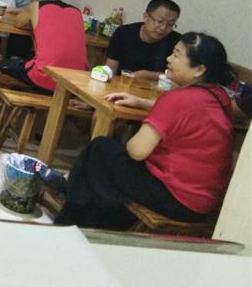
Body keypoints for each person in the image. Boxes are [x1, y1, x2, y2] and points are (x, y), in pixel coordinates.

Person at [55, 33, 235, 230]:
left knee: (100, 150)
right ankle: (80, 205)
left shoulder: (177, 99)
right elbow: (189, 114)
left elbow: (137, 151)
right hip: (202, 203)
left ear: (199, 69)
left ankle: (71, 215)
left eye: (176, 55)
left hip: (174, 196)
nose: (169, 59)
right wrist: (142, 103)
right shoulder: (220, 97)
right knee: (107, 168)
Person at [0, 0, 88, 92]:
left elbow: (18, 22)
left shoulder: (37, 6)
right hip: (77, 80)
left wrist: (32, 19)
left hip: (45, 76)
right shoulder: (76, 11)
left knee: (2, 65)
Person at [106, 0, 181, 81]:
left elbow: (179, 76)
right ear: (146, 17)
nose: (163, 28)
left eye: (170, 24)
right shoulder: (123, 33)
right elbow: (111, 69)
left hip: (156, 88)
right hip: (122, 84)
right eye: (160, 21)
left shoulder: (178, 42)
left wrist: (151, 75)